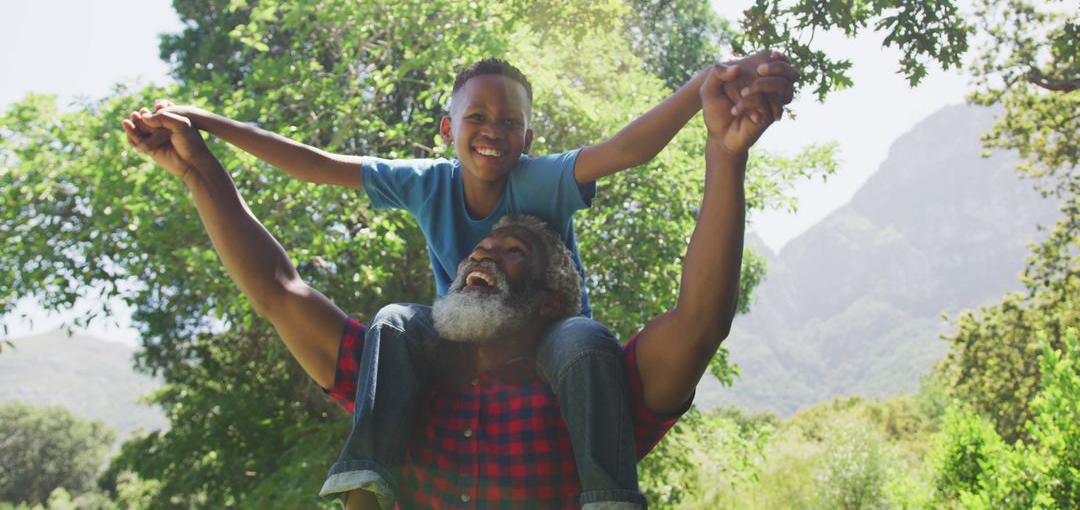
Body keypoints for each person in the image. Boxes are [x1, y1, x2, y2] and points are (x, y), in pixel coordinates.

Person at [129, 54, 795, 508]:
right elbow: (279, 287)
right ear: (448, 128)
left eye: (513, 254)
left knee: (585, 337)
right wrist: (200, 165)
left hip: (570, 349)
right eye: (480, 246)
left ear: (546, 297)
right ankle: (364, 480)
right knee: (394, 315)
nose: (482, 255)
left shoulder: (591, 390)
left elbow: (699, 318)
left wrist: (721, 150)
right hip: (421, 348)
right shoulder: (399, 375)